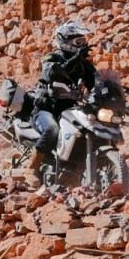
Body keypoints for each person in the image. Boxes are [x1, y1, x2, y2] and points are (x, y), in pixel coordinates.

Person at [28, 22, 97, 175]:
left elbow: (97, 81)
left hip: (69, 110)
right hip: (46, 109)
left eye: (83, 40)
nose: (83, 45)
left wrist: (112, 91)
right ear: (65, 42)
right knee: (52, 129)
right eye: (78, 42)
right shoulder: (52, 57)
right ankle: (31, 169)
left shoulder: (84, 64)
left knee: (88, 127)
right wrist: (76, 59)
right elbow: (53, 74)